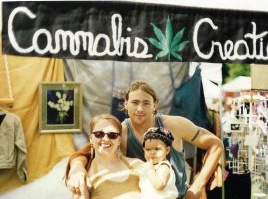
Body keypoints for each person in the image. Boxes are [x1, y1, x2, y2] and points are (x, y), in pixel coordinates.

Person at [67, 80, 224, 199]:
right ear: (126, 104)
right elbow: (88, 151)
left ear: (155, 105)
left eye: (146, 103)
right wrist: (77, 169)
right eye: (135, 103)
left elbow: (215, 143)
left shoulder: (173, 125)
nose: (140, 109)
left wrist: (199, 183)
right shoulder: (118, 133)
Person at [65, 114, 143, 199]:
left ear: (119, 140)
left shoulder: (137, 165)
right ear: (91, 138)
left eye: (112, 135)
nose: (106, 139)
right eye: (99, 134)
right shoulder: (84, 174)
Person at [139, 127, 178, 199]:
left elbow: (160, 185)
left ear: (167, 150)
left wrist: (151, 170)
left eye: (157, 149)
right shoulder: (148, 165)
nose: (152, 152)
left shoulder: (164, 166)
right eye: (148, 149)